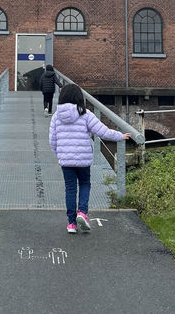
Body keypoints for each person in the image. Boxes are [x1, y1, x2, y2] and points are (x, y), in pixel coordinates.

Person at [49, 83, 131, 234]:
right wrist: (120, 136)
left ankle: (71, 224)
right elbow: (103, 132)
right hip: (83, 160)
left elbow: (52, 140)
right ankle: (82, 213)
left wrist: (59, 154)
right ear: (79, 98)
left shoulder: (56, 117)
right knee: (85, 184)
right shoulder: (85, 114)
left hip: (66, 161)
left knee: (70, 189)